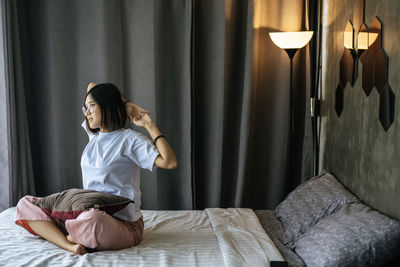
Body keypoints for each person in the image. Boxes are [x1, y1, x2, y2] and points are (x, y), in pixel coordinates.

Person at [14, 82, 178, 255]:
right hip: (85, 211)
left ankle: (63, 233)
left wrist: (148, 124)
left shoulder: (130, 140)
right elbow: (92, 86)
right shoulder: (94, 136)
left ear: (107, 105)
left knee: (92, 220)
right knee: (25, 204)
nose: (87, 112)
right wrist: (125, 103)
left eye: (92, 106)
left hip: (122, 223)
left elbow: (170, 162)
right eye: (86, 108)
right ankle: (70, 243)